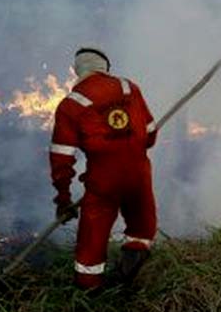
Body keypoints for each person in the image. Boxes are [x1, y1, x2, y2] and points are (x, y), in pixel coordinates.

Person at [48, 47, 158, 290]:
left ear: (77, 72)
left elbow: (61, 157)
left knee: (92, 240)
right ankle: (128, 278)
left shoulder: (70, 105)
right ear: (105, 68)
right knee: (141, 228)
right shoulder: (130, 87)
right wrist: (129, 148)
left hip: (103, 181)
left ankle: (89, 292)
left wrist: (63, 198)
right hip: (139, 174)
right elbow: (150, 134)